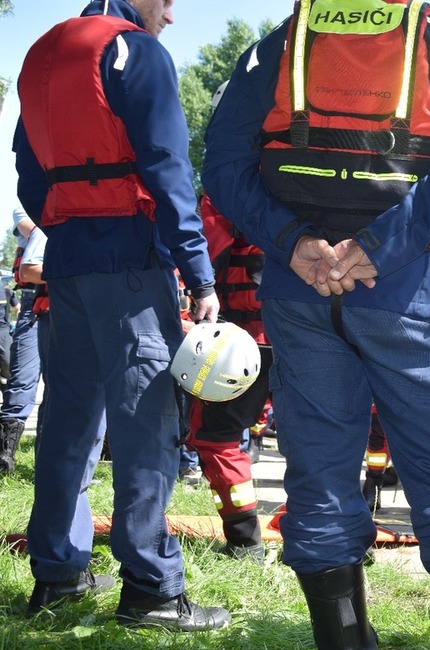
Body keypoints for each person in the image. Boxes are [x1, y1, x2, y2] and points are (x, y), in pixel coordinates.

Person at [201, 1, 430, 647]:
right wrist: (378, 245)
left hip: (299, 286)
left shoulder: (280, 46)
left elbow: (223, 167)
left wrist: (291, 243)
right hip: (403, 286)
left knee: (318, 479)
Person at [13, 0, 230, 631]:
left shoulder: (44, 53)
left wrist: (66, 220)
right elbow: (167, 169)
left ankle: (57, 573)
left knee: (67, 420)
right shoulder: (135, 51)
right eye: (168, 1)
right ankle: (153, 590)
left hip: (70, 262)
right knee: (145, 425)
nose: (172, 14)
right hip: (131, 264)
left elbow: (29, 168)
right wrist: (197, 269)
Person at [184, 193, 273, 562]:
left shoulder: (229, 193)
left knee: (215, 438)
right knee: (317, 439)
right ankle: (333, 541)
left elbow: (202, 255)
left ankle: (245, 542)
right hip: (311, 332)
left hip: (243, 341)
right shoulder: (316, 183)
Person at [0, 206, 43, 475]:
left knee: (66, 389)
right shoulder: (24, 206)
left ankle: (53, 462)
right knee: (22, 379)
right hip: (34, 301)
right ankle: (5, 458)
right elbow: (34, 228)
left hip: (71, 300)